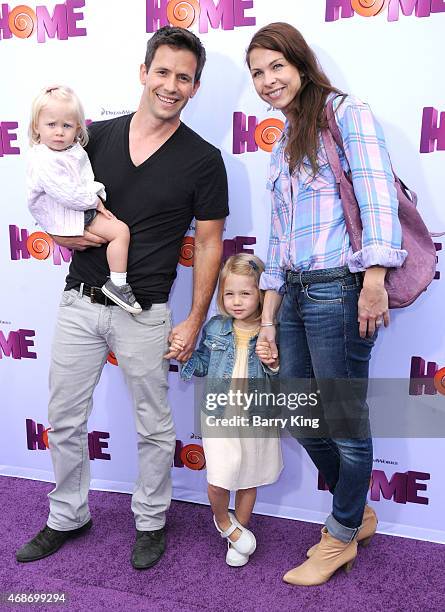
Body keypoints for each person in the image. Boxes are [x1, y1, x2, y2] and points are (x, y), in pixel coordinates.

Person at [16, 26, 229, 570]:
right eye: (163, 71)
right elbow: (48, 193)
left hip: (147, 311)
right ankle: (67, 515)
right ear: (143, 73)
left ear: (195, 87)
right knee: (63, 418)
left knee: (155, 426)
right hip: (80, 301)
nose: (171, 84)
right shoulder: (94, 139)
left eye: (184, 77)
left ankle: (152, 520)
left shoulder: (203, 160)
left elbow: (208, 243)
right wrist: (64, 237)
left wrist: (196, 318)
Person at [246, 22, 407, 586]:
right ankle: (357, 510)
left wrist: (374, 279)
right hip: (290, 293)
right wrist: (267, 315)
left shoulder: (346, 113)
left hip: (341, 289)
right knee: (301, 412)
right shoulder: (284, 137)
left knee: (342, 420)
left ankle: (339, 535)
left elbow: (376, 194)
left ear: (300, 62)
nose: (268, 81)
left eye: (276, 67)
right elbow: (277, 236)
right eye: (257, 74)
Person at [178, 254, 283, 567]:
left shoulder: (274, 331)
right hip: (219, 417)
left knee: (248, 478)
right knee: (219, 480)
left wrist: (273, 363)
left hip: (257, 419)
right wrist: (182, 355)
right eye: (230, 294)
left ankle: (240, 532)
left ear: (261, 294)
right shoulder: (216, 328)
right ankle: (224, 523)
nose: (237, 301)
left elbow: (283, 377)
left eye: (246, 293)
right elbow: (202, 365)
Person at [27, 85, 142, 314]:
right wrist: (95, 201)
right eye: (51, 125)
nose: (59, 132)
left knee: (110, 235)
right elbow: (66, 193)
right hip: (69, 212)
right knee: (120, 232)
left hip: (75, 209)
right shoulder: (43, 159)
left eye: (66, 126)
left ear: (78, 128)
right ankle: (118, 284)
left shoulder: (69, 150)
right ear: (36, 127)